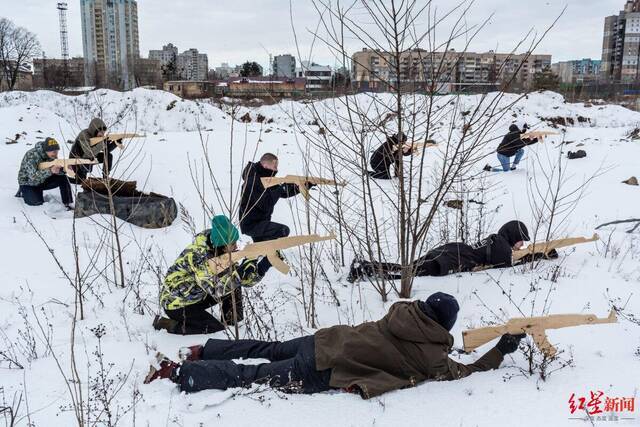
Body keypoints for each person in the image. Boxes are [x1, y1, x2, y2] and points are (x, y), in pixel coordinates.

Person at [144, 292, 525, 399]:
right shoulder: (431, 356)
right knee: (253, 376)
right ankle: (182, 374)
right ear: (445, 326)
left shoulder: (400, 313)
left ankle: (202, 350)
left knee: (267, 348)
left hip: (324, 339)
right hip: (324, 369)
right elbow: (466, 371)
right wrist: (502, 348)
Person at [153, 215, 271, 335]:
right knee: (213, 330)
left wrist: (263, 265)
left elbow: (240, 282)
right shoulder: (198, 256)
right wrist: (240, 273)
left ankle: (233, 324)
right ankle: (166, 324)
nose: (236, 246)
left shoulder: (222, 253)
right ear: (222, 244)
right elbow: (217, 290)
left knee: (233, 283)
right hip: (176, 303)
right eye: (232, 243)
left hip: (198, 295)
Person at [348, 220, 531, 282]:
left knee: (408, 268)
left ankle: (366, 267)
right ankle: (364, 270)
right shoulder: (502, 248)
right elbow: (509, 266)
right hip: (450, 260)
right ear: (513, 235)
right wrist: (536, 255)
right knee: (408, 273)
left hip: (450, 251)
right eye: (521, 240)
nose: (522, 245)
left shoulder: (496, 239)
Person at [239, 153, 311, 242]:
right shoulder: (252, 181)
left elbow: (284, 193)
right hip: (252, 225)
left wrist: (303, 186)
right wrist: (281, 188)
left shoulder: (266, 178)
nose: (276, 170)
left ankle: (264, 255)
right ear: (265, 165)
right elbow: (265, 204)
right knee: (282, 230)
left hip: (261, 222)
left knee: (263, 250)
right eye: (275, 167)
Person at [16, 137, 73, 209]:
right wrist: (50, 171)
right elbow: (33, 177)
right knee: (37, 204)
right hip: (28, 183)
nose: (56, 154)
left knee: (63, 178)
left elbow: (56, 171)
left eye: (57, 151)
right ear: (47, 150)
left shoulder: (51, 155)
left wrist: (64, 169)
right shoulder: (31, 156)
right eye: (54, 152)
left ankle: (68, 203)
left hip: (43, 180)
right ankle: (22, 191)